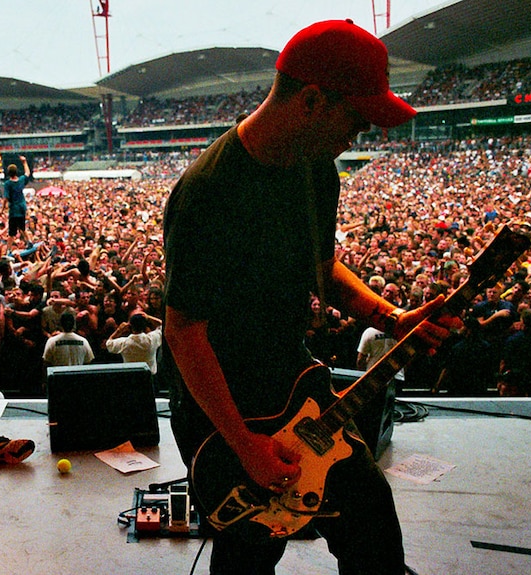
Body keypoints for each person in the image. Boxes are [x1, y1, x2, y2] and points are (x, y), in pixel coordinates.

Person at [160, 19, 458, 574]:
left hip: (290, 375)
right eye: (357, 119)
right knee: (250, 546)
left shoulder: (316, 169)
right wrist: (244, 442)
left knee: (369, 519)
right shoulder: (208, 193)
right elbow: (184, 331)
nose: (361, 135)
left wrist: (390, 317)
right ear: (314, 100)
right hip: (221, 396)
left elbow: (323, 268)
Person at [2, 155, 33, 252]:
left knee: (12, 231)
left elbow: (6, 198)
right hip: (22, 207)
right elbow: (27, 173)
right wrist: (24, 162)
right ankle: (29, 241)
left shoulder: (8, 184)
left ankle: (8, 249)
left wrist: (3, 208)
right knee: (22, 227)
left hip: (14, 209)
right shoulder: (21, 180)